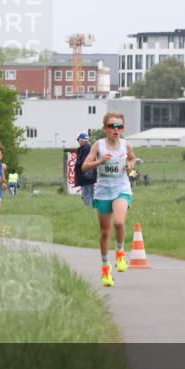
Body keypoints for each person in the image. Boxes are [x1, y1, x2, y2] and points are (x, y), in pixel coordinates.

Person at [81, 112, 136, 287]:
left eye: (119, 126)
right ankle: (105, 267)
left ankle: (120, 252)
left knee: (119, 222)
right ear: (105, 128)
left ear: (123, 129)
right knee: (105, 231)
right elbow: (84, 167)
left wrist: (130, 165)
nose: (116, 129)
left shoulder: (126, 145)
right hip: (103, 191)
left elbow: (132, 158)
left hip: (121, 188)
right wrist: (99, 162)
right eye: (112, 126)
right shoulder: (98, 145)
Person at [74, 131, 97, 207]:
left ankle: (88, 208)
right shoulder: (89, 147)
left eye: (78, 139)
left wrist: (77, 163)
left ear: (82, 140)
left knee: (86, 193)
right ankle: (93, 208)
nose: (78, 141)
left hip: (86, 175)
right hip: (90, 174)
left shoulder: (85, 148)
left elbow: (84, 160)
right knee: (91, 193)